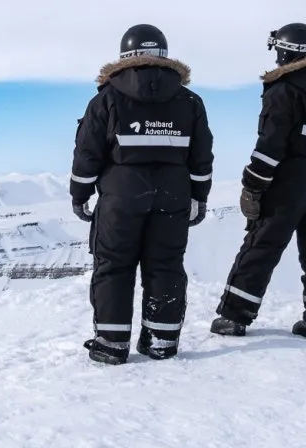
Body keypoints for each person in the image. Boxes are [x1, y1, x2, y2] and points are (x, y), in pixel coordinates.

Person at [70, 24, 214, 365]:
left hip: (121, 198)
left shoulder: (106, 98)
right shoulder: (190, 101)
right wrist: (200, 195)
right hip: (174, 195)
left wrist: (80, 194)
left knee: (114, 267)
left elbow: (87, 153)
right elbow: (202, 156)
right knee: (165, 265)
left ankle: (111, 343)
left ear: (124, 57)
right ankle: (161, 340)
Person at [211, 24, 306, 341]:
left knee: (262, 244)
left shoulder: (284, 89)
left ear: (287, 51)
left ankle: (234, 317)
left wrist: (252, 186)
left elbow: (270, 147)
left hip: (291, 180)